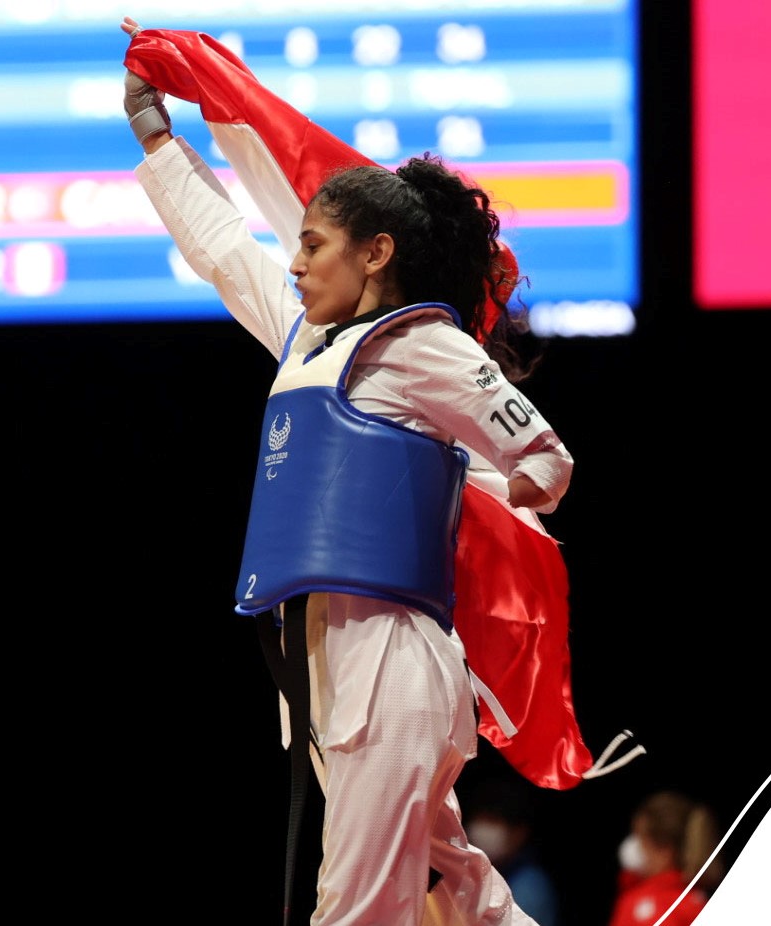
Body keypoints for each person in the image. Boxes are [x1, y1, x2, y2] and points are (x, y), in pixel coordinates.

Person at [120, 16, 575, 926]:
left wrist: (467, 508)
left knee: (357, 911)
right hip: (326, 663)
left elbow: (544, 459)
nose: (292, 263)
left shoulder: (420, 348)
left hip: (392, 660)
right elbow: (223, 255)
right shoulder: (310, 348)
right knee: (462, 890)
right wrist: (160, 144)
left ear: (377, 254)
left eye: (314, 245)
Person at [607, 791, 725, 926]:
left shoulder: (639, 905)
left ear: (664, 850)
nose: (634, 848)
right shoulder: (698, 901)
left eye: (641, 840)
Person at [463, 777, 563, 926]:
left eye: (493, 821)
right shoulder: (474, 872)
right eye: (480, 818)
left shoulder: (529, 886)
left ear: (518, 833)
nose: (481, 829)